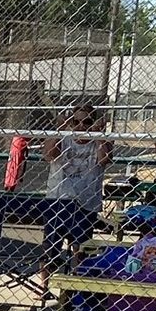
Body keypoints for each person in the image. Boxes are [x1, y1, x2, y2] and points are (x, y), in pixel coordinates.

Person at [39, 101, 111, 286]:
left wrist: (99, 134)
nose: (80, 127)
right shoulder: (64, 137)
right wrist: (61, 129)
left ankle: (76, 284)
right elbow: (49, 154)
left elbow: (104, 159)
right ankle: (45, 285)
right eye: (76, 122)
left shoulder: (99, 141)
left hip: (85, 201)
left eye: (86, 122)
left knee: (81, 247)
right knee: (51, 245)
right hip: (59, 198)